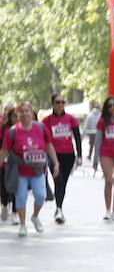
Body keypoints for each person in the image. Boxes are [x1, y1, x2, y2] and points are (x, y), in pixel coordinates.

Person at [1, 102, 60, 237]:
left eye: (27, 111)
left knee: (41, 195)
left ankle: (34, 216)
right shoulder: (12, 132)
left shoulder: (40, 128)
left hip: (37, 170)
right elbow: (4, 151)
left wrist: (55, 163)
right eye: (21, 111)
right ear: (17, 115)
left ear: (32, 113)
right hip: (20, 171)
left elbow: (49, 146)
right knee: (20, 197)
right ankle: (22, 225)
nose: (24, 114)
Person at [42, 94, 83, 224]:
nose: (60, 105)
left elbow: (77, 137)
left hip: (68, 155)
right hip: (54, 155)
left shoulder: (71, 119)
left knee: (63, 183)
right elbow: (44, 140)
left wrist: (79, 156)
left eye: (62, 102)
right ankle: (59, 209)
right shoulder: (47, 121)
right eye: (57, 102)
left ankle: (59, 208)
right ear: (53, 104)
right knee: (58, 181)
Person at [0, 105, 16, 224]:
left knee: (17, 187)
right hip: (4, 162)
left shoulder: (21, 128)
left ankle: (15, 212)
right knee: (3, 186)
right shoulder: (3, 128)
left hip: (17, 163)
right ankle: (5, 205)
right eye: (14, 115)